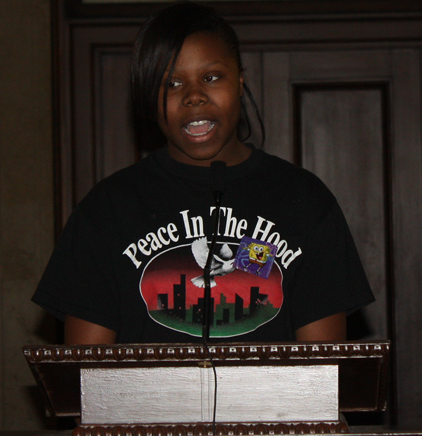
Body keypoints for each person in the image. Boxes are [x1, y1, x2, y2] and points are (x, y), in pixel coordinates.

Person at [32, 1, 374, 345]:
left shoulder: (306, 201)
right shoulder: (106, 210)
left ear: (239, 81)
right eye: (172, 83)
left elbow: (325, 374)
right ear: (150, 96)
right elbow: (85, 380)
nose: (194, 96)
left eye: (211, 77)